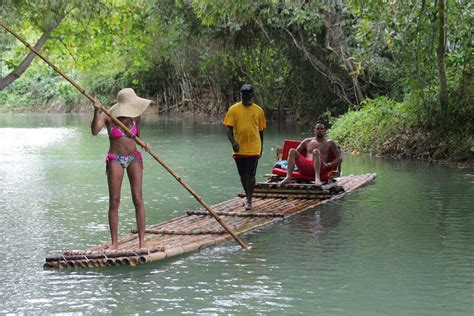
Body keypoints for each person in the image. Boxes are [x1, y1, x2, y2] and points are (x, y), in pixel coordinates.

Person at [91, 88, 151, 250]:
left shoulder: (136, 117)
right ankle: (115, 243)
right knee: (114, 201)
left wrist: (144, 144)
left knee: (138, 199)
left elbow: (137, 136)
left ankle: (142, 242)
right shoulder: (108, 116)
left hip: (134, 159)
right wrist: (96, 111)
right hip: (115, 160)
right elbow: (95, 131)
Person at [224, 84, 266, 210]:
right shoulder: (234, 109)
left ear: (252, 95)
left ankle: (249, 199)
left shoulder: (259, 110)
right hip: (239, 147)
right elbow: (228, 128)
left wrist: (261, 147)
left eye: (248, 94)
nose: (245, 96)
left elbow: (261, 131)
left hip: (254, 147)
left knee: (251, 174)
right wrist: (233, 143)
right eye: (243, 94)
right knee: (242, 174)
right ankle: (247, 195)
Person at [279, 122, 342, 187]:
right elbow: (296, 153)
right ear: (314, 130)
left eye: (321, 129)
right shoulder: (307, 141)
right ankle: (288, 177)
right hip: (306, 167)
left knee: (315, 151)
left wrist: (329, 164)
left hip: (320, 167)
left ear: (324, 130)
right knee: (292, 150)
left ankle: (317, 178)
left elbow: (339, 158)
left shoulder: (330, 143)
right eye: (317, 129)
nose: (319, 130)